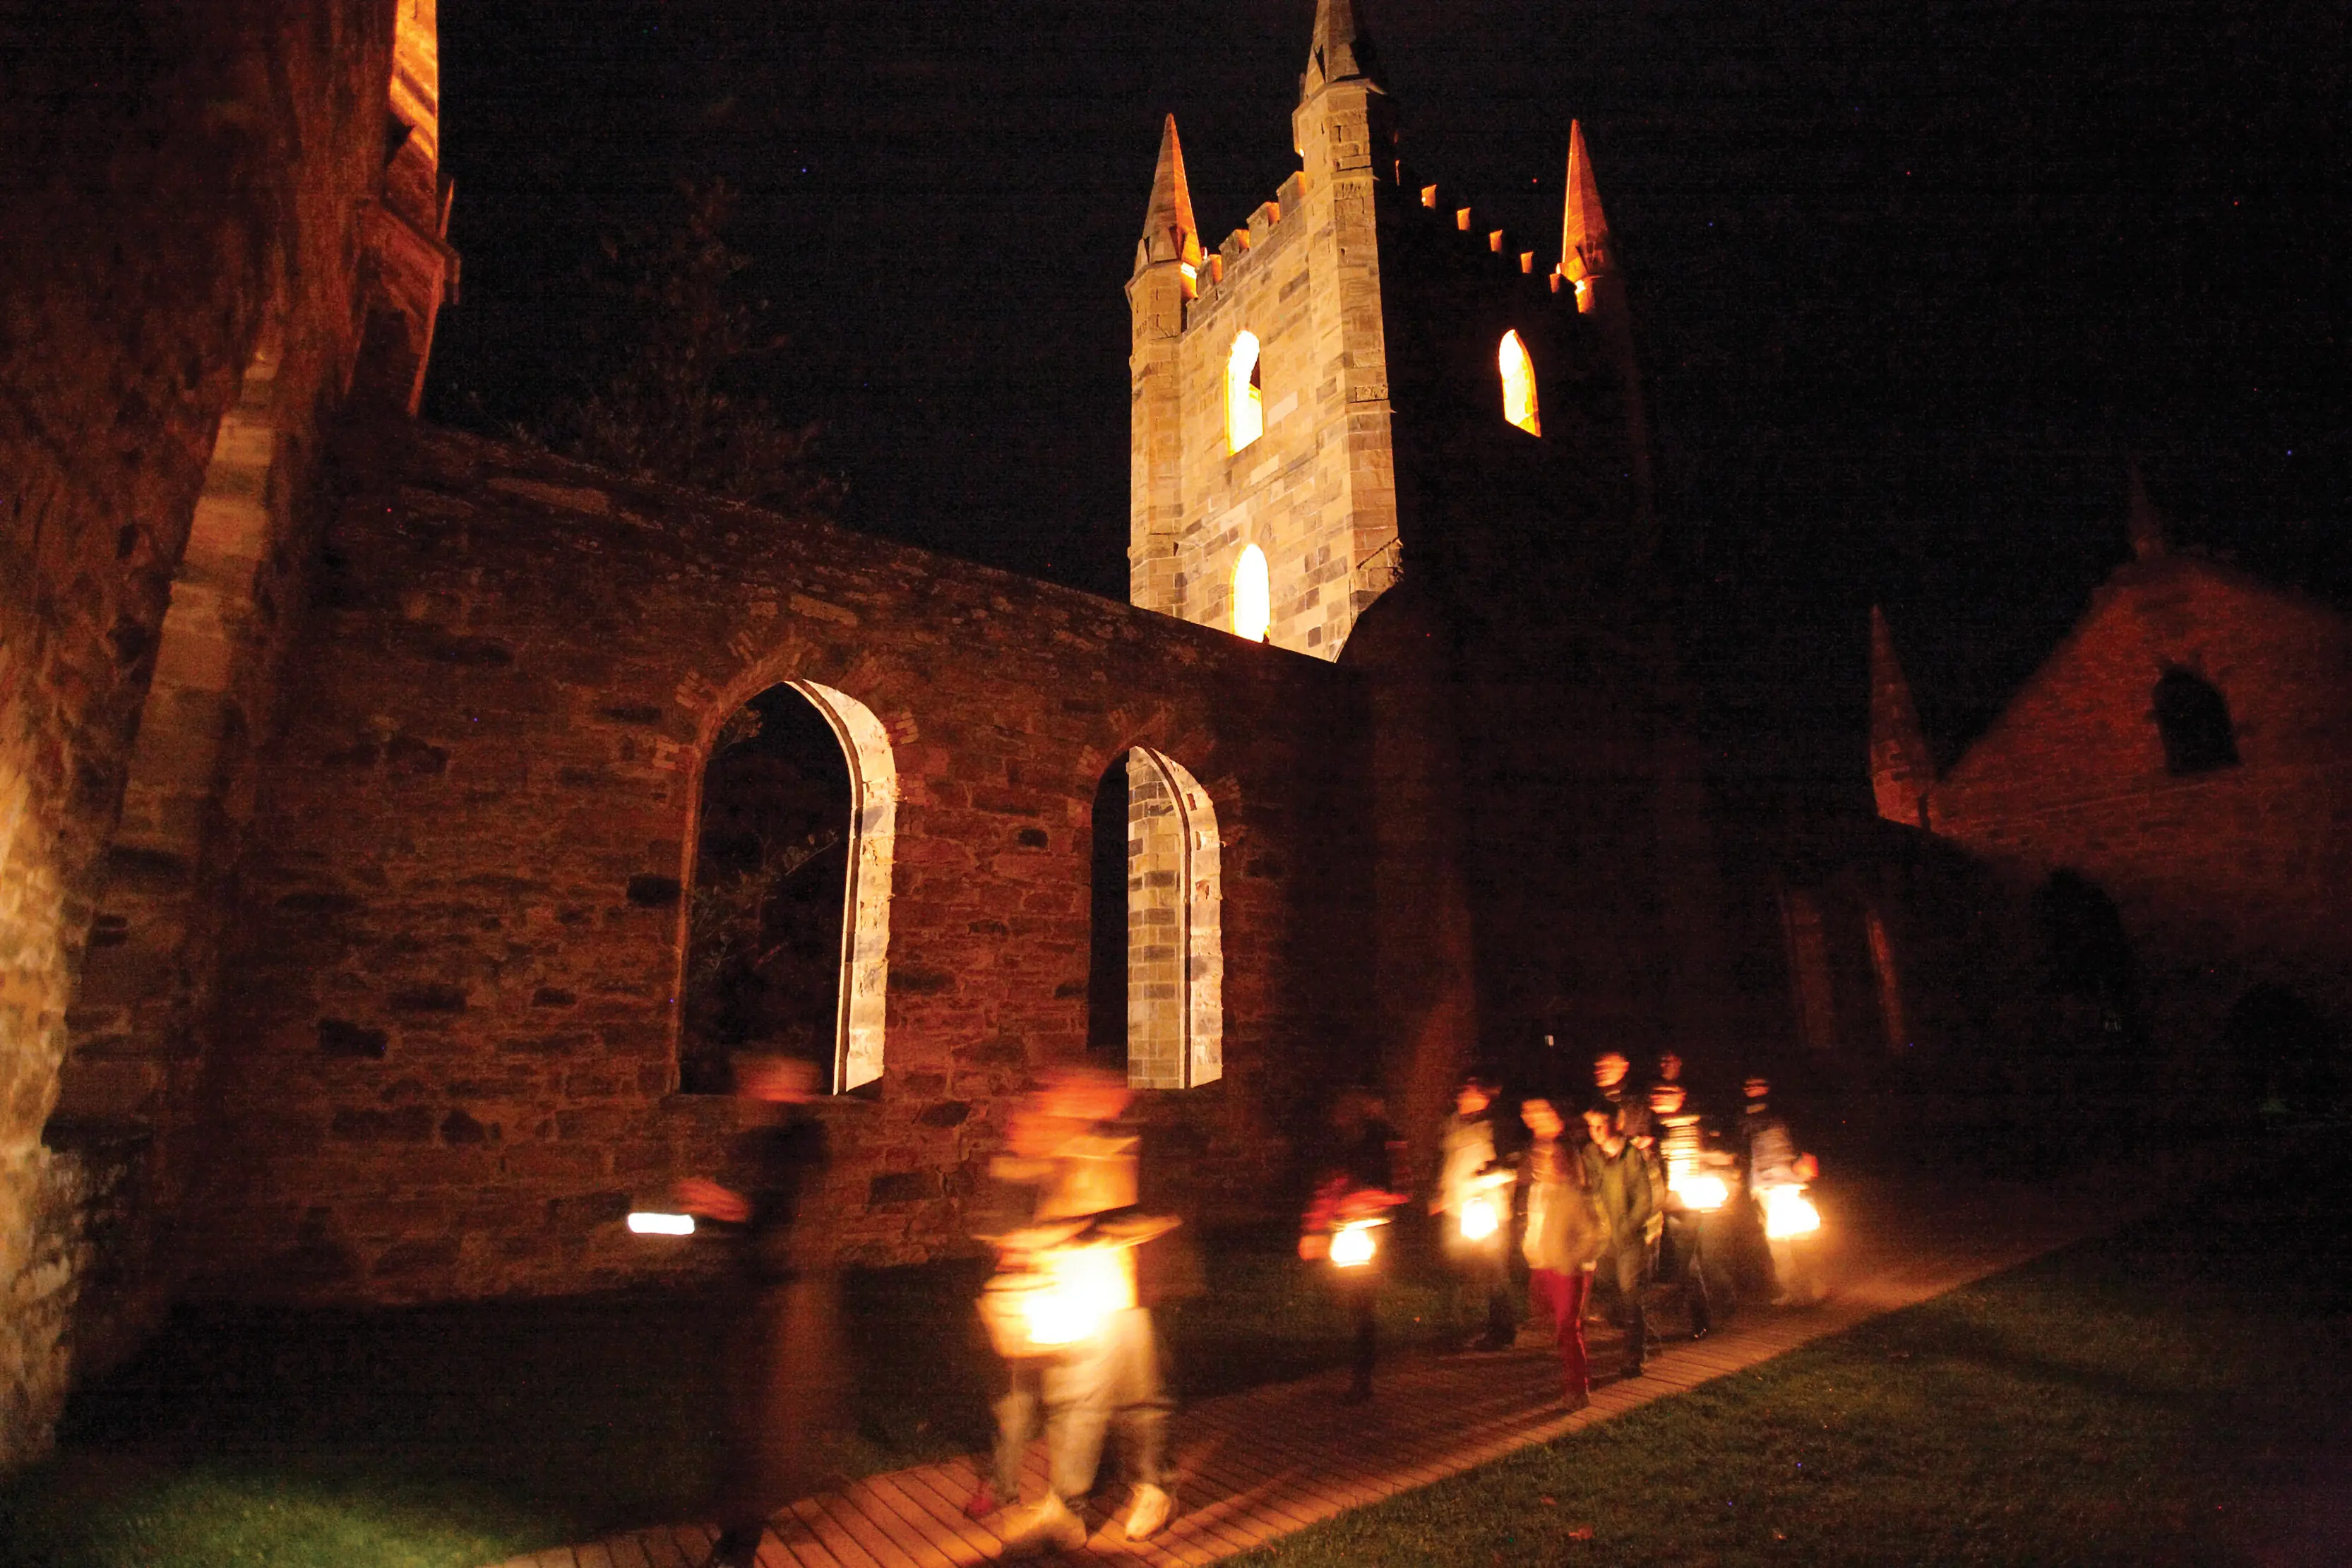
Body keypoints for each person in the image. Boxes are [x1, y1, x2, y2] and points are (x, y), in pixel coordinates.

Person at [975, 1067, 1177, 1555]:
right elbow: (1017, 1200)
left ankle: (1153, 1488)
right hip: (1070, 1294)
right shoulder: (1054, 1143)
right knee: (1075, 1405)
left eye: (1073, 1094)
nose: (1059, 1103)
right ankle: (1066, 1509)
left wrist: (1076, 1231)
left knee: (1139, 1401)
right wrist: (1021, 1239)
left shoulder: (1134, 1143)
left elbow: (1156, 1209)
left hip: (1125, 1293)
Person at [672, 1055, 846, 1568]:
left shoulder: (804, 1140)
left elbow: (782, 1209)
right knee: (747, 1412)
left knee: (762, 1417)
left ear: (790, 1088)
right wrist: (718, 1208)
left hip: (785, 1300)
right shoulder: (761, 1139)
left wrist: (730, 1206)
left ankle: (740, 1540)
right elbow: (752, 1210)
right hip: (754, 1293)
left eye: (763, 1082)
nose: (749, 1092)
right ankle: (750, 1519)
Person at [1299, 1085, 1407, 1404]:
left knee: (1361, 1306)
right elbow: (1328, 1186)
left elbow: (1399, 1188)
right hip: (1343, 1232)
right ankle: (1349, 1369)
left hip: (1370, 1234)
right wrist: (1314, 1228)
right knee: (1343, 1300)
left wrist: (1363, 1200)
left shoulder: (1385, 1141)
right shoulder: (1340, 1143)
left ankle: (1362, 1379)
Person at [1519, 1094, 1607, 1409]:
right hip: (1543, 1263)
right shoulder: (1538, 1192)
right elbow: (1534, 1226)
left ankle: (1578, 1389)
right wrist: (1531, 1251)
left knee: (1570, 1328)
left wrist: (1573, 1259)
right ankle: (1560, 1375)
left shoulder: (1573, 1196)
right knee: (1550, 1323)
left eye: (1553, 1160)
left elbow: (1593, 1233)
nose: (1545, 1164)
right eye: (1542, 1160)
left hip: (1568, 1269)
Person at [1431, 1073, 1517, 1351]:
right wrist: (1442, 1192)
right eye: (1460, 1092)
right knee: (1454, 1271)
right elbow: (1448, 1161)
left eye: (1467, 1092)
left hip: (1487, 1212)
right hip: (1456, 1209)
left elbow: (1511, 1169)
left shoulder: (1495, 1127)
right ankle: (1452, 1331)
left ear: (1483, 1097)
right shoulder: (1452, 1125)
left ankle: (1501, 1330)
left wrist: (1481, 1182)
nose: (1461, 1097)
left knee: (1494, 1271)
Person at [1580, 1099, 1655, 1380]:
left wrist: (1627, 1228)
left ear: (1617, 1124)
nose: (1596, 1131)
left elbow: (1644, 1199)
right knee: (1609, 1291)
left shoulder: (1632, 1156)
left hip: (1627, 1240)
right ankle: (1630, 1336)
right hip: (1600, 1240)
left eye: (1601, 1125)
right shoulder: (1590, 1154)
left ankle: (1635, 1356)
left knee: (1630, 1295)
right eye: (1591, 1126)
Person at [1649, 1078, 1728, 1336]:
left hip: (1686, 1204)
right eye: (1656, 1093)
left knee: (1685, 1265)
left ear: (1681, 1095)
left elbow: (1686, 1167)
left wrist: (1675, 1196)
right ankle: (1703, 1317)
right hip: (1676, 1204)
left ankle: (1699, 1319)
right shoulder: (1665, 1127)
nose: (1658, 1097)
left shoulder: (1685, 1126)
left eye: (1666, 1092)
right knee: (1689, 1263)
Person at [1740, 1075, 1823, 1307]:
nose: (1752, 1089)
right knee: (1777, 1242)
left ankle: (1812, 1286)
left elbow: (1805, 1140)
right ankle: (1792, 1289)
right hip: (1765, 1187)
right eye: (1748, 1085)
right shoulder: (1742, 1116)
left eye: (1757, 1084)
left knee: (1802, 1238)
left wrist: (1806, 1160)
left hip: (1791, 1183)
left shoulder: (1784, 1112)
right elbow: (1745, 1150)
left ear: (1767, 1086)